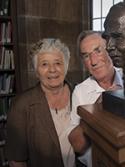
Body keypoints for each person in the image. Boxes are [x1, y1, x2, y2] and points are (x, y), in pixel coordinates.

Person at [68, 30, 125, 167]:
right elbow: (77, 146)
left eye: (98, 51)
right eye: (86, 56)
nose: (93, 61)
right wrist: (96, 109)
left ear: (112, 50)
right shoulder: (81, 91)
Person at [5, 38, 75, 167]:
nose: (52, 70)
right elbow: (17, 161)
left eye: (58, 63)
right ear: (36, 71)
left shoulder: (80, 94)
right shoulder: (21, 105)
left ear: (66, 66)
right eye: (44, 64)